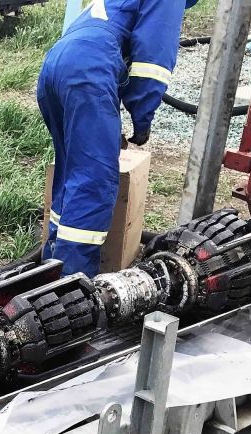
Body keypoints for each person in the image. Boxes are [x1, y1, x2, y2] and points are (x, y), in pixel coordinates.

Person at [37, 0, 197, 277]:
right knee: (94, 179)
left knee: (71, 170)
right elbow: (153, 60)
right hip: (87, 73)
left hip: (55, 65)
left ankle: (50, 263)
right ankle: (71, 286)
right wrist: (142, 115)